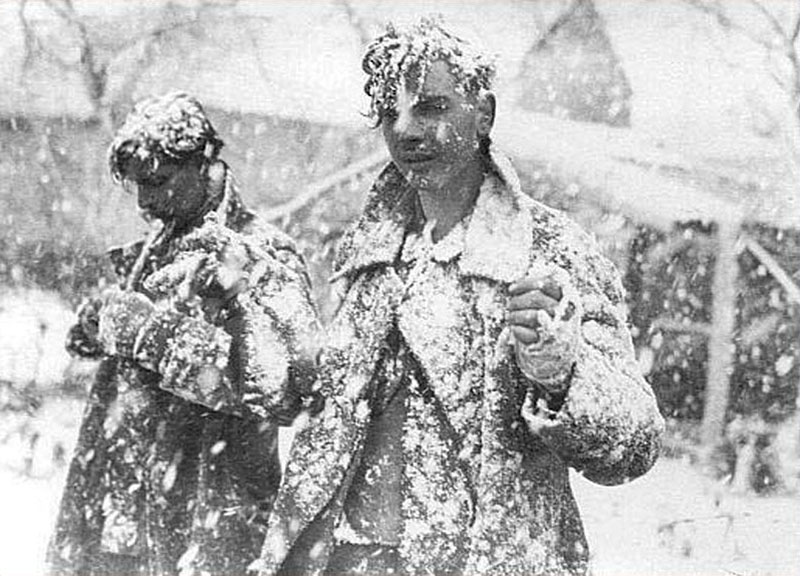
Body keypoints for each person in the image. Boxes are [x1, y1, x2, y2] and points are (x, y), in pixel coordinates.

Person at [253, 18, 665, 576]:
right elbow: (325, 413)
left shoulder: (549, 251)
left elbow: (634, 445)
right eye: (389, 113)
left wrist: (563, 374)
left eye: (430, 108)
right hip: (346, 560)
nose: (406, 131)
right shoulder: (369, 253)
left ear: (484, 112)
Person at [48, 92, 319, 576]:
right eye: (136, 187)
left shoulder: (261, 256)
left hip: (206, 531)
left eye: (157, 181)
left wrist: (147, 333)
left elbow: (279, 391)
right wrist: (98, 325)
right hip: (121, 529)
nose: (145, 201)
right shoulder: (159, 246)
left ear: (205, 165)